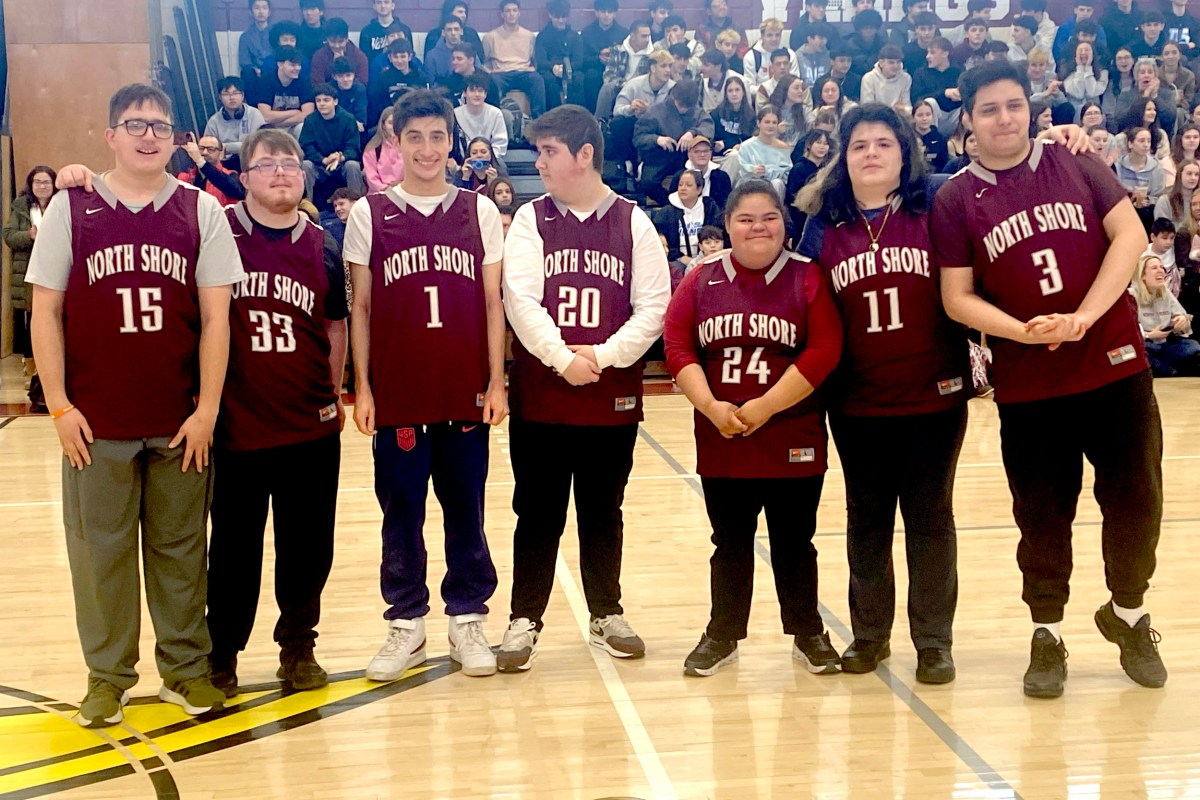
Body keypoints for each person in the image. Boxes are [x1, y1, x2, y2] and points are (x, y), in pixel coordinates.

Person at [933, 61, 1167, 699]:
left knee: (1137, 499)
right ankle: (1047, 631)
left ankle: (1128, 614)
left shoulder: (1079, 162)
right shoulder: (955, 199)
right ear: (969, 122)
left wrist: (1086, 318)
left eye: (1013, 105)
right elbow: (956, 298)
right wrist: (1022, 330)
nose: (1003, 119)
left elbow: (1129, 235)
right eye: (989, 109)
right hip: (1031, 383)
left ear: (1031, 111)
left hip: (1115, 365)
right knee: (1041, 515)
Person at [26, 83, 245, 726]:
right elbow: (45, 312)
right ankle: (107, 677)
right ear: (110, 136)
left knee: (182, 551)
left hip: (180, 421)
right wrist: (61, 406)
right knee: (101, 556)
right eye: (134, 124)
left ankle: (182, 670)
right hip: (96, 423)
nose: (148, 135)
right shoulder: (73, 207)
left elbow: (216, 321)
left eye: (160, 125)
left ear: (175, 137)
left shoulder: (201, 211)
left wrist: (206, 409)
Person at [797, 103, 970, 683]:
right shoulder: (824, 225)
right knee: (866, 518)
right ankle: (870, 635)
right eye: (859, 145)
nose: (871, 153)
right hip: (858, 400)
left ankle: (934, 642)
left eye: (883, 143)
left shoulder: (938, 204)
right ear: (843, 160)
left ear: (905, 153)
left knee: (930, 517)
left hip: (934, 395)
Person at [342, 88, 508, 681]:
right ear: (396, 142)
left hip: (464, 388)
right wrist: (362, 389)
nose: (428, 148)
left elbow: (493, 304)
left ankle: (467, 615)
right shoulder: (370, 213)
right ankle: (406, 622)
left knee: (467, 509)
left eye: (438, 136)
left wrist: (497, 382)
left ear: (451, 141)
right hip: (400, 392)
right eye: (415, 137)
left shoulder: (478, 210)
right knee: (401, 510)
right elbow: (360, 308)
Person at [499, 104, 670, 672]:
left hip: (609, 393)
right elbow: (519, 300)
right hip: (542, 396)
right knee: (537, 510)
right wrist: (558, 357)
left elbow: (653, 309)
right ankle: (524, 619)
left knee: (604, 509)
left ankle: (606, 612)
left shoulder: (633, 221)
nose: (540, 163)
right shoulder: (530, 220)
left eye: (549, 152)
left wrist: (599, 355)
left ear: (584, 154)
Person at [662, 178, 843, 677]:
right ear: (728, 226)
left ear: (784, 225)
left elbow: (825, 349)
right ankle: (723, 632)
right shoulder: (700, 279)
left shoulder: (808, 276)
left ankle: (808, 632)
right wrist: (711, 406)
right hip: (723, 432)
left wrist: (764, 406)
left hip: (792, 432)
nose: (758, 227)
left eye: (769, 217)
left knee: (795, 541)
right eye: (746, 218)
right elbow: (677, 346)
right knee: (730, 541)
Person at [205, 127, 348, 698]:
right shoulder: (220, 235)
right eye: (267, 165)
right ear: (244, 178)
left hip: (309, 425)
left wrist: (331, 392)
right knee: (234, 550)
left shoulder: (322, 243)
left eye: (291, 163)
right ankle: (223, 655)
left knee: (308, 548)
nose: (282, 172)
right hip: (238, 424)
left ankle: (298, 646)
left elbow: (335, 325)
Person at [3, 166, 57, 391]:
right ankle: (32, 369)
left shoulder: (60, 204)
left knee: (53, 320)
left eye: (46, 182)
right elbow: (9, 236)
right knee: (30, 322)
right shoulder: (21, 207)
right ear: (31, 185)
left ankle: (52, 369)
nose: (42, 186)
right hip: (27, 271)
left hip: (54, 270)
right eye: (38, 182)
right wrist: (29, 235)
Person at [1130, 253, 1199, 375]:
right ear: (1143, 275)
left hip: (1165, 343)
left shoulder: (1165, 292)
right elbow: (1126, 331)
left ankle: (1157, 366)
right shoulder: (1131, 295)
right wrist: (1149, 335)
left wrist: (1182, 320)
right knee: (1138, 350)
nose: (1160, 271)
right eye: (1154, 268)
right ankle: (1165, 370)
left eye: (1162, 267)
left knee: (1193, 345)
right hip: (1146, 343)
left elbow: (1184, 318)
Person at [300, 83, 365, 205]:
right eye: (318, 101)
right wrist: (323, 159)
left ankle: (357, 205)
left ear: (335, 101)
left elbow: (354, 148)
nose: (322, 104)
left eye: (326, 100)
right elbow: (306, 146)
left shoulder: (348, 119)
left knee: (353, 166)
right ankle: (306, 205)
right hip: (319, 164)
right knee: (306, 165)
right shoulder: (310, 120)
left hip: (342, 163)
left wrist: (340, 157)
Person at [483, 0, 546, 119]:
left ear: (519, 13)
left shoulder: (529, 36)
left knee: (537, 79)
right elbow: (485, 62)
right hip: (501, 73)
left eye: (514, 10)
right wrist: (490, 72)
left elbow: (534, 60)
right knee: (492, 82)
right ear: (502, 14)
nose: (511, 14)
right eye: (507, 11)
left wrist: (533, 69)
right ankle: (494, 118)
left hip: (523, 72)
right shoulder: (491, 37)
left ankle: (539, 119)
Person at [654, 168, 722, 268]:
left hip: (707, 257)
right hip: (678, 260)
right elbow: (661, 240)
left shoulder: (710, 208)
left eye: (688, 185)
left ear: (699, 189)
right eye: (680, 185)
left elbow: (718, 235)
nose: (683, 188)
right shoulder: (666, 212)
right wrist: (682, 258)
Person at [205, 77, 266, 168]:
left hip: (251, 162)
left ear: (242, 95)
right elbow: (208, 149)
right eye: (226, 94)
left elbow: (257, 144)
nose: (232, 97)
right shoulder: (214, 121)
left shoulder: (254, 114)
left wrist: (224, 147)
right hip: (225, 165)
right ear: (220, 97)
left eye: (235, 93)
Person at [580, 0, 629, 112]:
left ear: (615, 13)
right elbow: (582, 60)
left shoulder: (624, 33)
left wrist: (614, 58)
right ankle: (592, 114)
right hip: (595, 69)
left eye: (610, 12)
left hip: (617, 71)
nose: (606, 15)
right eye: (603, 11)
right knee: (591, 77)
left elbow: (627, 56)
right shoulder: (587, 32)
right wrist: (598, 58)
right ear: (596, 13)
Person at [256, 45, 315, 138]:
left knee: (303, 127)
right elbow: (265, 115)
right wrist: (294, 112)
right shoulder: (266, 81)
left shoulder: (304, 82)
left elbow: (308, 115)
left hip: (293, 125)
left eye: (299, 65)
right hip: (272, 127)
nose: (298, 68)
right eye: (293, 65)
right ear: (280, 64)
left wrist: (280, 123)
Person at [535, 0, 585, 109]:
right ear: (550, 15)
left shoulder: (575, 36)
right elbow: (540, 61)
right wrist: (553, 67)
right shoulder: (542, 36)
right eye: (557, 17)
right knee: (547, 80)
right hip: (550, 71)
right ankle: (554, 114)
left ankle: (576, 114)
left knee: (579, 78)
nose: (561, 20)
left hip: (571, 69)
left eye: (564, 16)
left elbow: (579, 61)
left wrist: (566, 69)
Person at [368, 39, 430, 126]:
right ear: (390, 58)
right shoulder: (383, 78)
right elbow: (377, 104)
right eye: (395, 57)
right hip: (391, 122)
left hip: (414, 120)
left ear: (410, 57)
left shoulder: (421, 78)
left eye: (403, 56)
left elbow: (425, 103)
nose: (399, 61)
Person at [738, 105, 795, 197]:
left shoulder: (783, 148)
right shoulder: (746, 146)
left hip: (774, 187)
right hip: (752, 186)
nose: (770, 126)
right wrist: (753, 170)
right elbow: (743, 172)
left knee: (777, 183)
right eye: (767, 122)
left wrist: (767, 171)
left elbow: (787, 173)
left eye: (774, 123)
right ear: (759, 123)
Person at [1116, 126, 1165, 231]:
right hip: (1123, 211)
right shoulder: (1118, 166)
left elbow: (1159, 197)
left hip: (1147, 214)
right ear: (1130, 144)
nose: (1146, 145)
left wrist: (1147, 200)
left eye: (1149, 141)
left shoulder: (1157, 168)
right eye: (1141, 141)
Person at [785, 129, 832, 235]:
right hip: (802, 218)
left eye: (825, 144)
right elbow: (793, 199)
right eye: (818, 142)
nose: (822, 147)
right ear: (809, 145)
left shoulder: (827, 169)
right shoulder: (799, 168)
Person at [667, 135, 732, 210]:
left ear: (711, 153)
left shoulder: (722, 177)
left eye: (706, 151)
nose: (702, 154)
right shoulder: (679, 176)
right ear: (689, 154)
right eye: (697, 151)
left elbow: (726, 206)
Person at [176, 135, 244, 205]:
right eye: (201, 148)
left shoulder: (230, 175)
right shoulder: (185, 178)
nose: (205, 152)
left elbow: (236, 191)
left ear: (221, 154)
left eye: (211, 149)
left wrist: (201, 162)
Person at [454, 72, 508, 156]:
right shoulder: (455, 114)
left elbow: (500, 145)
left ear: (485, 94)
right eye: (472, 90)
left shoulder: (495, 113)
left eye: (480, 91)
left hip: (490, 161)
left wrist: (485, 159)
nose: (477, 94)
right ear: (464, 93)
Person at [310, 17, 368, 86]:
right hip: (327, 95)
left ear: (347, 38)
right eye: (333, 41)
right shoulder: (319, 57)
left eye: (340, 42)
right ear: (327, 39)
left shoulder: (359, 56)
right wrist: (334, 67)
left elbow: (362, 83)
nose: (337, 46)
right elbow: (317, 84)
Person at [859, 44, 912, 115]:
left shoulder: (906, 78)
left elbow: (908, 107)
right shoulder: (868, 78)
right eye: (891, 62)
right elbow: (867, 108)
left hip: (898, 118)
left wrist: (902, 109)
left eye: (898, 62)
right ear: (881, 63)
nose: (895, 66)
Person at [710, 74, 755, 154]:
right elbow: (713, 142)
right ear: (726, 94)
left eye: (737, 90)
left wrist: (727, 143)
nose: (734, 94)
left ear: (743, 92)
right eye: (730, 91)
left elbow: (750, 139)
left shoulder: (751, 115)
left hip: (743, 154)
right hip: (721, 156)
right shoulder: (716, 115)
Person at [363, 107, 405, 192]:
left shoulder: (410, 146)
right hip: (380, 194)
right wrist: (387, 189)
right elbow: (371, 177)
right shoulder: (373, 148)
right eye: (390, 123)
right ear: (383, 125)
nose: (394, 127)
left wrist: (402, 186)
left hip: (404, 192)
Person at [1061, 40, 1108, 116]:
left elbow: (1091, 93)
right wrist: (1080, 68)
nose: (1083, 53)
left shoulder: (1103, 72)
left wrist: (1088, 68)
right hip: (1073, 113)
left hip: (1095, 113)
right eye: (1080, 50)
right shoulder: (1066, 71)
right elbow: (1078, 94)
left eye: (1086, 50)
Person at [360, 0, 413, 65]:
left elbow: (410, 55)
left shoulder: (404, 30)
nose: (383, 6)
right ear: (374, 6)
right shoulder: (366, 32)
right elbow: (364, 60)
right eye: (379, 2)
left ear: (393, 6)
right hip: (376, 71)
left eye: (386, 2)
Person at [330, 57, 369, 134]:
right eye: (340, 76)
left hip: (354, 131)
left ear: (354, 75)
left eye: (348, 75)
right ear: (334, 76)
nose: (345, 79)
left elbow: (361, 120)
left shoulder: (360, 89)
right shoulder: (329, 90)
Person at [239, 0, 273, 85]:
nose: (261, 12)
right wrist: (255, 69)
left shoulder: (275, 33)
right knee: (246, 73)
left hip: (274, 69)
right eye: (257, 8)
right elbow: (244, 61)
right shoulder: (245, 36)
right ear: (251, 12)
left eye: (264, 8)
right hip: (254, 72)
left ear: (269, 12)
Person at [1144, 217, 1180, 295]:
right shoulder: (1143, 254)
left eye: (1171, 238)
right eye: (1164, 238)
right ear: (1153, 237)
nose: (1169, 242)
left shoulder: (1176, 250)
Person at [1156, 158, 1198, 225]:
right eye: (1189, 174)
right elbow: (1161, 229)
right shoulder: (1165, 201)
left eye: (1196, 174)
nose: (1193, 178)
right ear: (1179, 175)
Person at [913, 99, 948, 171]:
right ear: (913, 117)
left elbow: (943, 164)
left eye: (928, 114)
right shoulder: (908, 137)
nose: (924, 118)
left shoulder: (940, 138)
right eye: (920, 115)